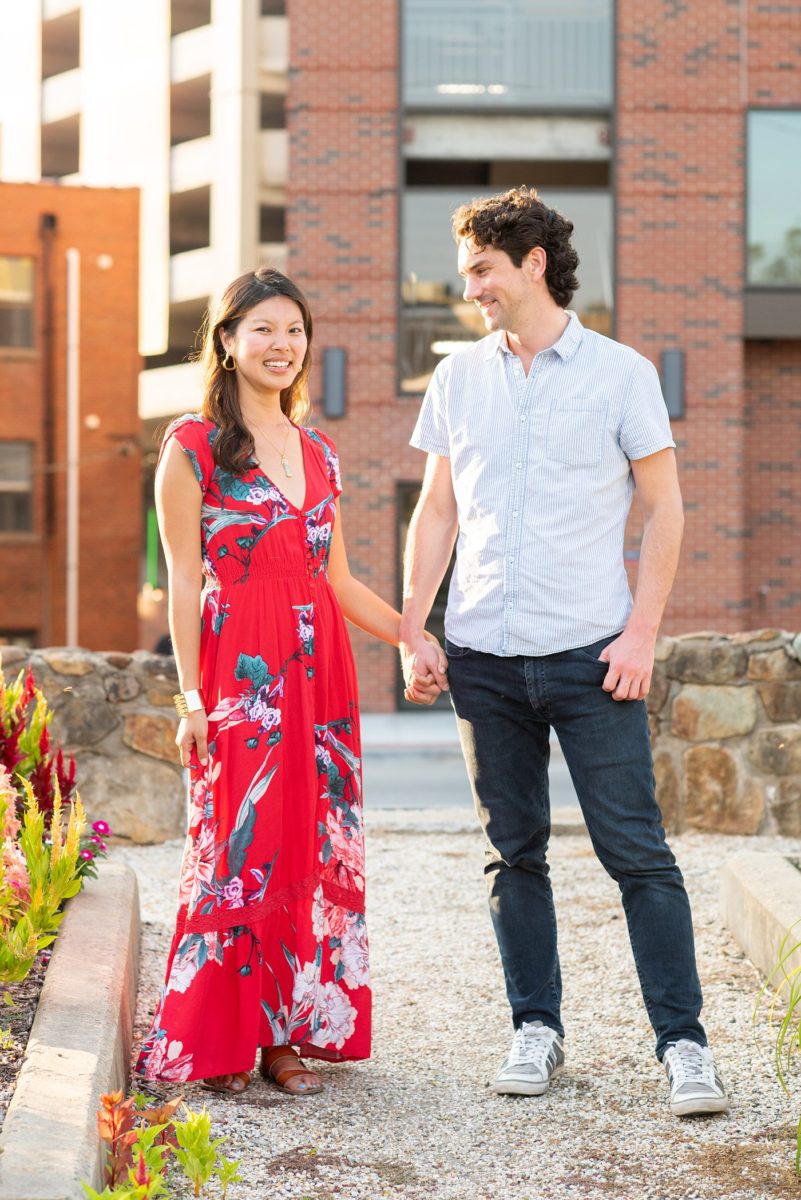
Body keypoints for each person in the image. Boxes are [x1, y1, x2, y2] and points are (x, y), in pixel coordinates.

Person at [399, 187, 728, 1118]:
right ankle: (534, 1029)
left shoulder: (620, 373)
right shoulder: (457, 377)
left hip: (593, 657)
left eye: (480, 270)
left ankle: (683, 1045)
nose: (469, 288)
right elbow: (438, 512)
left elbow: (664, 509)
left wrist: (641, 632)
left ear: (531, 262)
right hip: (483, 659)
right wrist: (413, 626)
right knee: (513, 854)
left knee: (639, 857)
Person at [136, 267, 443, 1095]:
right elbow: (180, 583)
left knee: (308, 850)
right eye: (263, 329)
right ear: (228, 342)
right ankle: (222, 1036)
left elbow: (337, 582)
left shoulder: (320, 451)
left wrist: (414, 636)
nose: (282, 346)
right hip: (241, 677)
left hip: (322, 677)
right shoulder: (191, 446)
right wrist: (191, 699)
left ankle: (283, 1036)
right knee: (237, 851)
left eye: (295, 331)